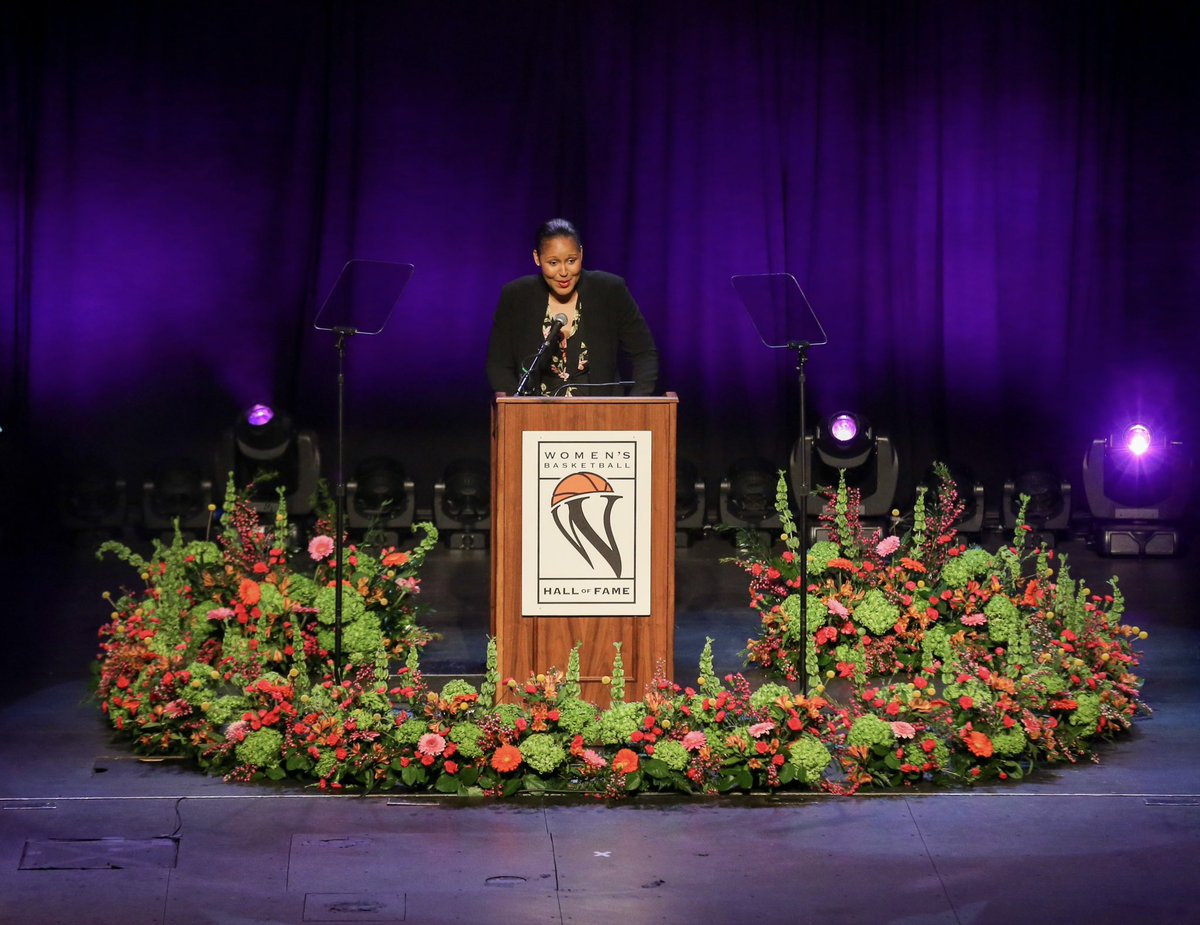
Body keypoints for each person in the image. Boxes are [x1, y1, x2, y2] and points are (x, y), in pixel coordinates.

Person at [485, 218, 658, 396]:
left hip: (602, 415)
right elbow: (498, 363)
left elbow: (644, 353)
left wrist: (636, 405)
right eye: (553, 263)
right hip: (537, 417)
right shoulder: (516, 296)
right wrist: (517, 409)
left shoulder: (610, 290)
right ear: (537, 258)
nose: (563, 272)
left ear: (581, 254)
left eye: (571, 260)